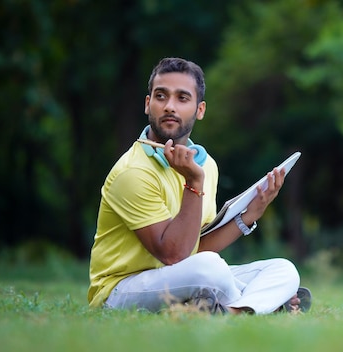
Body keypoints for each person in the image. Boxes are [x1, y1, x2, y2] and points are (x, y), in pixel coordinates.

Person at [87, 57, 311, 315]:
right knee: (211, 269)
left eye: (182, 98)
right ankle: (266, 305)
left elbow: (196, 246)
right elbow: (174, 256)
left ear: (200, 110)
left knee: (283, 269)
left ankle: (231, 311)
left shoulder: (206, 165)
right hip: (120, 291)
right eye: (161, 96)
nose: (170, 106)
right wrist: (193, 184)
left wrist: (251, 214)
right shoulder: (133, 171)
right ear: (148, 105)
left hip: (183, 276)